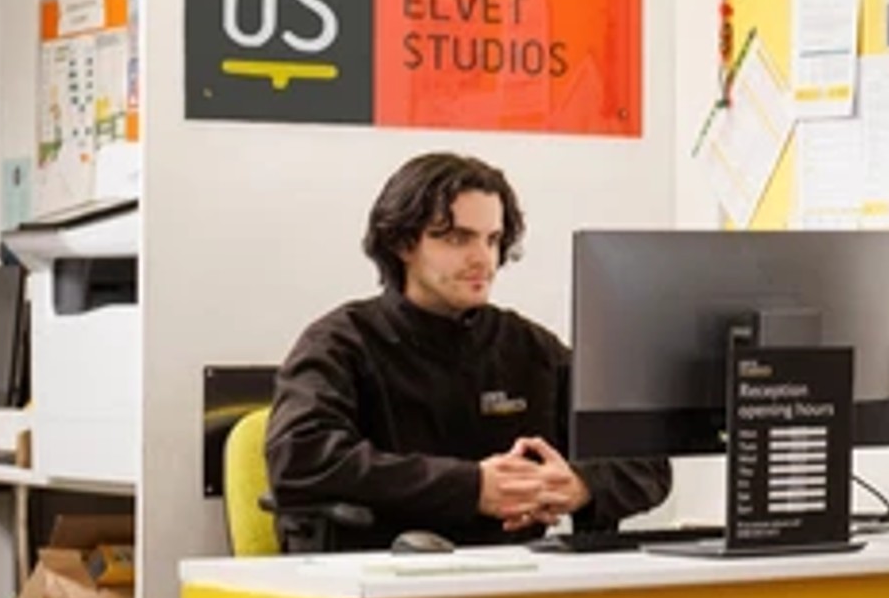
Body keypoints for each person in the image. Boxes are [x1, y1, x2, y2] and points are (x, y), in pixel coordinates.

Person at [262, 151, 668, 550]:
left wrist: (581, 485)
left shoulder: (530, 348)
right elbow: (299, 458)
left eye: (492, 239)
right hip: (383, 582)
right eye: (458, 238)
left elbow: (646, 461)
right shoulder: (340, 343)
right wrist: (472, 487)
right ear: (403, 243)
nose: (482, 259)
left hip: (518, 586)